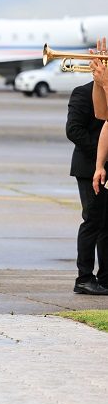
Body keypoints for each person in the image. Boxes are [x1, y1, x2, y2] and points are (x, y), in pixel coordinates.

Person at [66, 81, 108, 295]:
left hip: (102, 166)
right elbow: (73, 130)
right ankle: (83, 278)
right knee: (92, 221)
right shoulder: (82, 92)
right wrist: (101, 154)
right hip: (88, 167)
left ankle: (105, 278)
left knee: (106, 224)